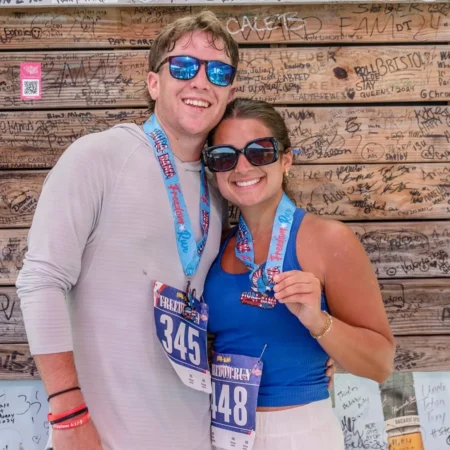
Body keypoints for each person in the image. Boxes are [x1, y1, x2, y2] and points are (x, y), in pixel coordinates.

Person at [16, 11, 239, 450]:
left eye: (217, 71)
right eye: (182, 66)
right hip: (101, 436)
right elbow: (41, 280)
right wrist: (67, 412)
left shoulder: (219, 190)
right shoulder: (99, 156)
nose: (200, 81)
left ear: (230, 92)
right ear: (154, 83)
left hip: (191, 433)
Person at [202, 98, 396, 450]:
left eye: (259, 152)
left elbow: (380, 364)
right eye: (224, 156)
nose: (242, 167)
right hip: (218, 430)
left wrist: (318, 322)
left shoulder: (328, 239)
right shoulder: (216, 245)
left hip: (296, 433)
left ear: (286, 160)